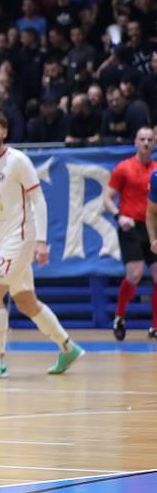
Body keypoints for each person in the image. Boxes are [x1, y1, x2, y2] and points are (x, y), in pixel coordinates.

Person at [0, 110, 84, 378]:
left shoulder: (18, 161)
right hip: (4, 240)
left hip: (22, 237)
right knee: (25, 301)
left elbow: (39, 201)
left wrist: (42, 242)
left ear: (4, 132)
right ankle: (68, 347)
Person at [103, 126, 157, 340]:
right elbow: (107, 198)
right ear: (135, 142)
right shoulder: (123, 168)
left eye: (150, 140)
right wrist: (118, 216)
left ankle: (155, 327)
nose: (146, 143)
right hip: (131, 226)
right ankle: (119, 316)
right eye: (142, 139)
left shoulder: (155, 170)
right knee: (134, 274)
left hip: (152, 226)